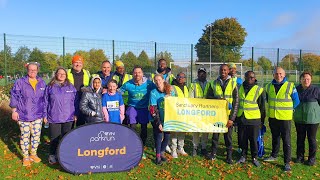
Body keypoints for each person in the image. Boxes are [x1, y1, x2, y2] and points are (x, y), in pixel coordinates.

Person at [10, 62, 46, 166]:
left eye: (34, 70)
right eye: (30, 70)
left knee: (36, 136)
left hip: (38, 115)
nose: (32, 71)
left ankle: (33, 154)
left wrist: (44, 114)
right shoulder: (20, 82)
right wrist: (14, 111)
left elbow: (45, 100)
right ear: (27, 70)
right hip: (23, 115)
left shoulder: (42, 83)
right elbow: (14, 96)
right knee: (25, 136)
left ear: (37, 70)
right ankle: (25, 157)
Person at [264, 67, 300, 172]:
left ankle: (287, 163)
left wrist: (291, 110)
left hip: (285, 118)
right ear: (273, 75)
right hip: (273, 117)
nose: (278, 75)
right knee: (275, 137)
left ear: (284, 75)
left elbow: (296, 101)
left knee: (286, 140)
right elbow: (267, 99)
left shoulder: (290, 86)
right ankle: (274, 155)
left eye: (280, 73)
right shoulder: (268, 86)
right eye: (276, 73)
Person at [120, 66, 156, 159]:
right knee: (132, 127)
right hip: (132, 107)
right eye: (135, 73)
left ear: (142, 74)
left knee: (144, 128)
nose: (137, 74)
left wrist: (168, 90)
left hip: (144, 108)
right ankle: (133, 147)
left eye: (139, 72)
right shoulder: (128, 84)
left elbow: (159, 88)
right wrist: (108, 91)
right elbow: (119, 92)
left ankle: (141, 148)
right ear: (133, 74)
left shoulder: (149, 84)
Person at [205, 64, 239, 164]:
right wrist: (218, 99)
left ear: (228, 71)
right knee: (215, 136)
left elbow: (236, 101)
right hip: (216, 115)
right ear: (219, 71)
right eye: (221, 70)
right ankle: (213, 154)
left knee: (228, 137)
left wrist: (232, 118)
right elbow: (208, 97)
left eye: (225, 70)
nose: (223, 72)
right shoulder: (214, 83)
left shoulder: (233, 83)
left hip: (228, 115)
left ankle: (229, 157)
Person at [44, 67, 76, 164]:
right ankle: (53, 155)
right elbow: (45, 102)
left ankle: (65, 156)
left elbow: (76, 101)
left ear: (66, 76)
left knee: (66, 138)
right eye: (59, 73)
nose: (61, 75)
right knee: (54, 138)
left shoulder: (71, 87)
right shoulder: (50, 87)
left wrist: (76, 114)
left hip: (69, 117)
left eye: (64, 74)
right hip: (54, 117)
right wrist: (45, 115)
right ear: (56, 75)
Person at [236, 71, 265, 167]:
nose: (250, 79)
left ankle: (254, 158)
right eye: (248, 77)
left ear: (255, 78)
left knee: (253, 140)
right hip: (242, 118)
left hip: (254, 119)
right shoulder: (239, 88)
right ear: (244, 77)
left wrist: (262, 121)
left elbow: (262, 107)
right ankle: (243, 156)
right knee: (243, 139)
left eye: (252, 77)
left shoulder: (259, 90)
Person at [293, 71, 320, 166]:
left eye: (308, 79)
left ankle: (311, 159)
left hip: (313, 120)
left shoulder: (316, 90)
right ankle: (300, 157)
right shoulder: (296, 90)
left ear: (311, 80)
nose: (306, 80)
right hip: (299, 119)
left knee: (311, 139)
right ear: (300, 80)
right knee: (300, 138)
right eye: (304, 78)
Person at [149, 74, 176, 165]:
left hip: (167, 118)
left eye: (159, 80)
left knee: (167, 136)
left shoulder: (170, 90)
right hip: (156, 118)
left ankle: (162, 152)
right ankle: (157, 157)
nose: (157, 82)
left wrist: (171, 98)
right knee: (159, 136)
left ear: (163, 80)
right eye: (155, 80)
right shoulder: (153, 92)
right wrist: (158, 122)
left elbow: (175, 104)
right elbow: (153, 109)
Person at [190, 67, 209, 156]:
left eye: (203, 73)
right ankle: (195, 147)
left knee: (205, 130)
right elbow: (190, 99)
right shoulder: (193, 84)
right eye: (200, 73)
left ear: (206, 74)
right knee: (196, 130)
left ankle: (204, 147)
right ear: (197, 74)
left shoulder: (209, 84)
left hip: (207, 112)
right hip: (196, 112)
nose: (202, 74)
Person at [67, 55, 91, 127]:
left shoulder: (87, 73)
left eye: (80, 62)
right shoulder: (67, 72)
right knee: (69, 123)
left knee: (81, 123)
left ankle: (80, 137)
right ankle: (68, 137)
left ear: (82, 64)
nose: (78, 64)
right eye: (76, 62)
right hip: (70, 101)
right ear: (72, 63)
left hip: (82, 100)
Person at [170, 72, 189, 158]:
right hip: (175, 112)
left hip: (184, 113)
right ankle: (173, 149)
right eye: (179, 76)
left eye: (182, 77)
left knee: (182, 130)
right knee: (174, 131)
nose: (180, 78)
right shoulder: (172, 87)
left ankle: (180, 148)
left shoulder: (186, 87)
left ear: (185, 78)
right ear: (176, 77)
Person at [228, 62, 243, 153]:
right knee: (229, 128)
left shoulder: (240, 81)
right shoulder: (226, 80)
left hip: (238, 107)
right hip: (229, 108)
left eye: (234, 68)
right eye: (230, 68)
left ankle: (240, 147)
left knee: (240, 129)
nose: (232, 70)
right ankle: (229, 147)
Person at [112, 60, 132, 125]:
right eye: (119, 68)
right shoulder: (113, 76)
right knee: (118, 115)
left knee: (126, 116)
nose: (121, 69)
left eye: (122, 68)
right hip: (117, 99)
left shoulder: (129, 76)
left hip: (127, 100)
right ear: (116, 69)